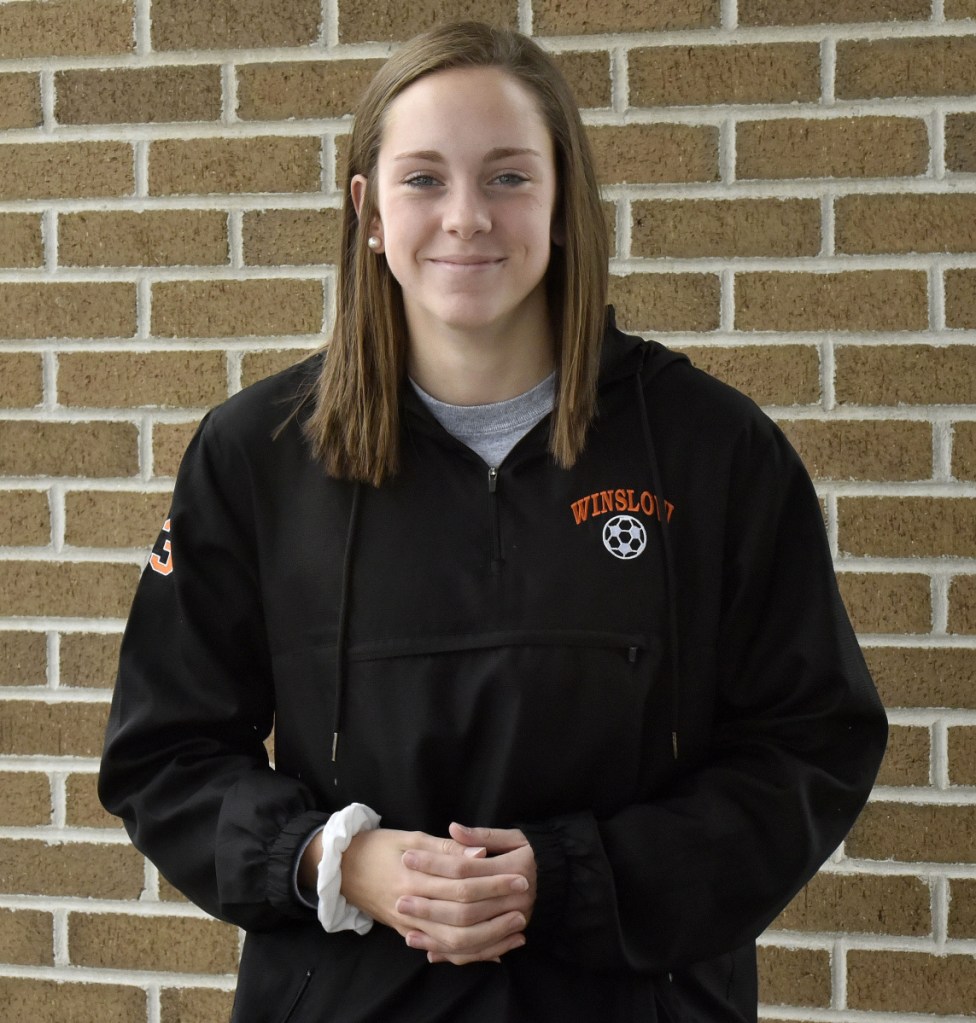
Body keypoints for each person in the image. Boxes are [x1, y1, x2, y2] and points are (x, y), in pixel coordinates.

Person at [99, 21, 887, 1023]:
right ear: (368, 210)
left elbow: (809, 747)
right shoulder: (256, 454)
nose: (465, 216)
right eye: (423, 179)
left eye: (508, 177)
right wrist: (336, 858)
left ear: (562, 203)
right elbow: (163, 754)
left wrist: (571, 879)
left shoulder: (710, 450)